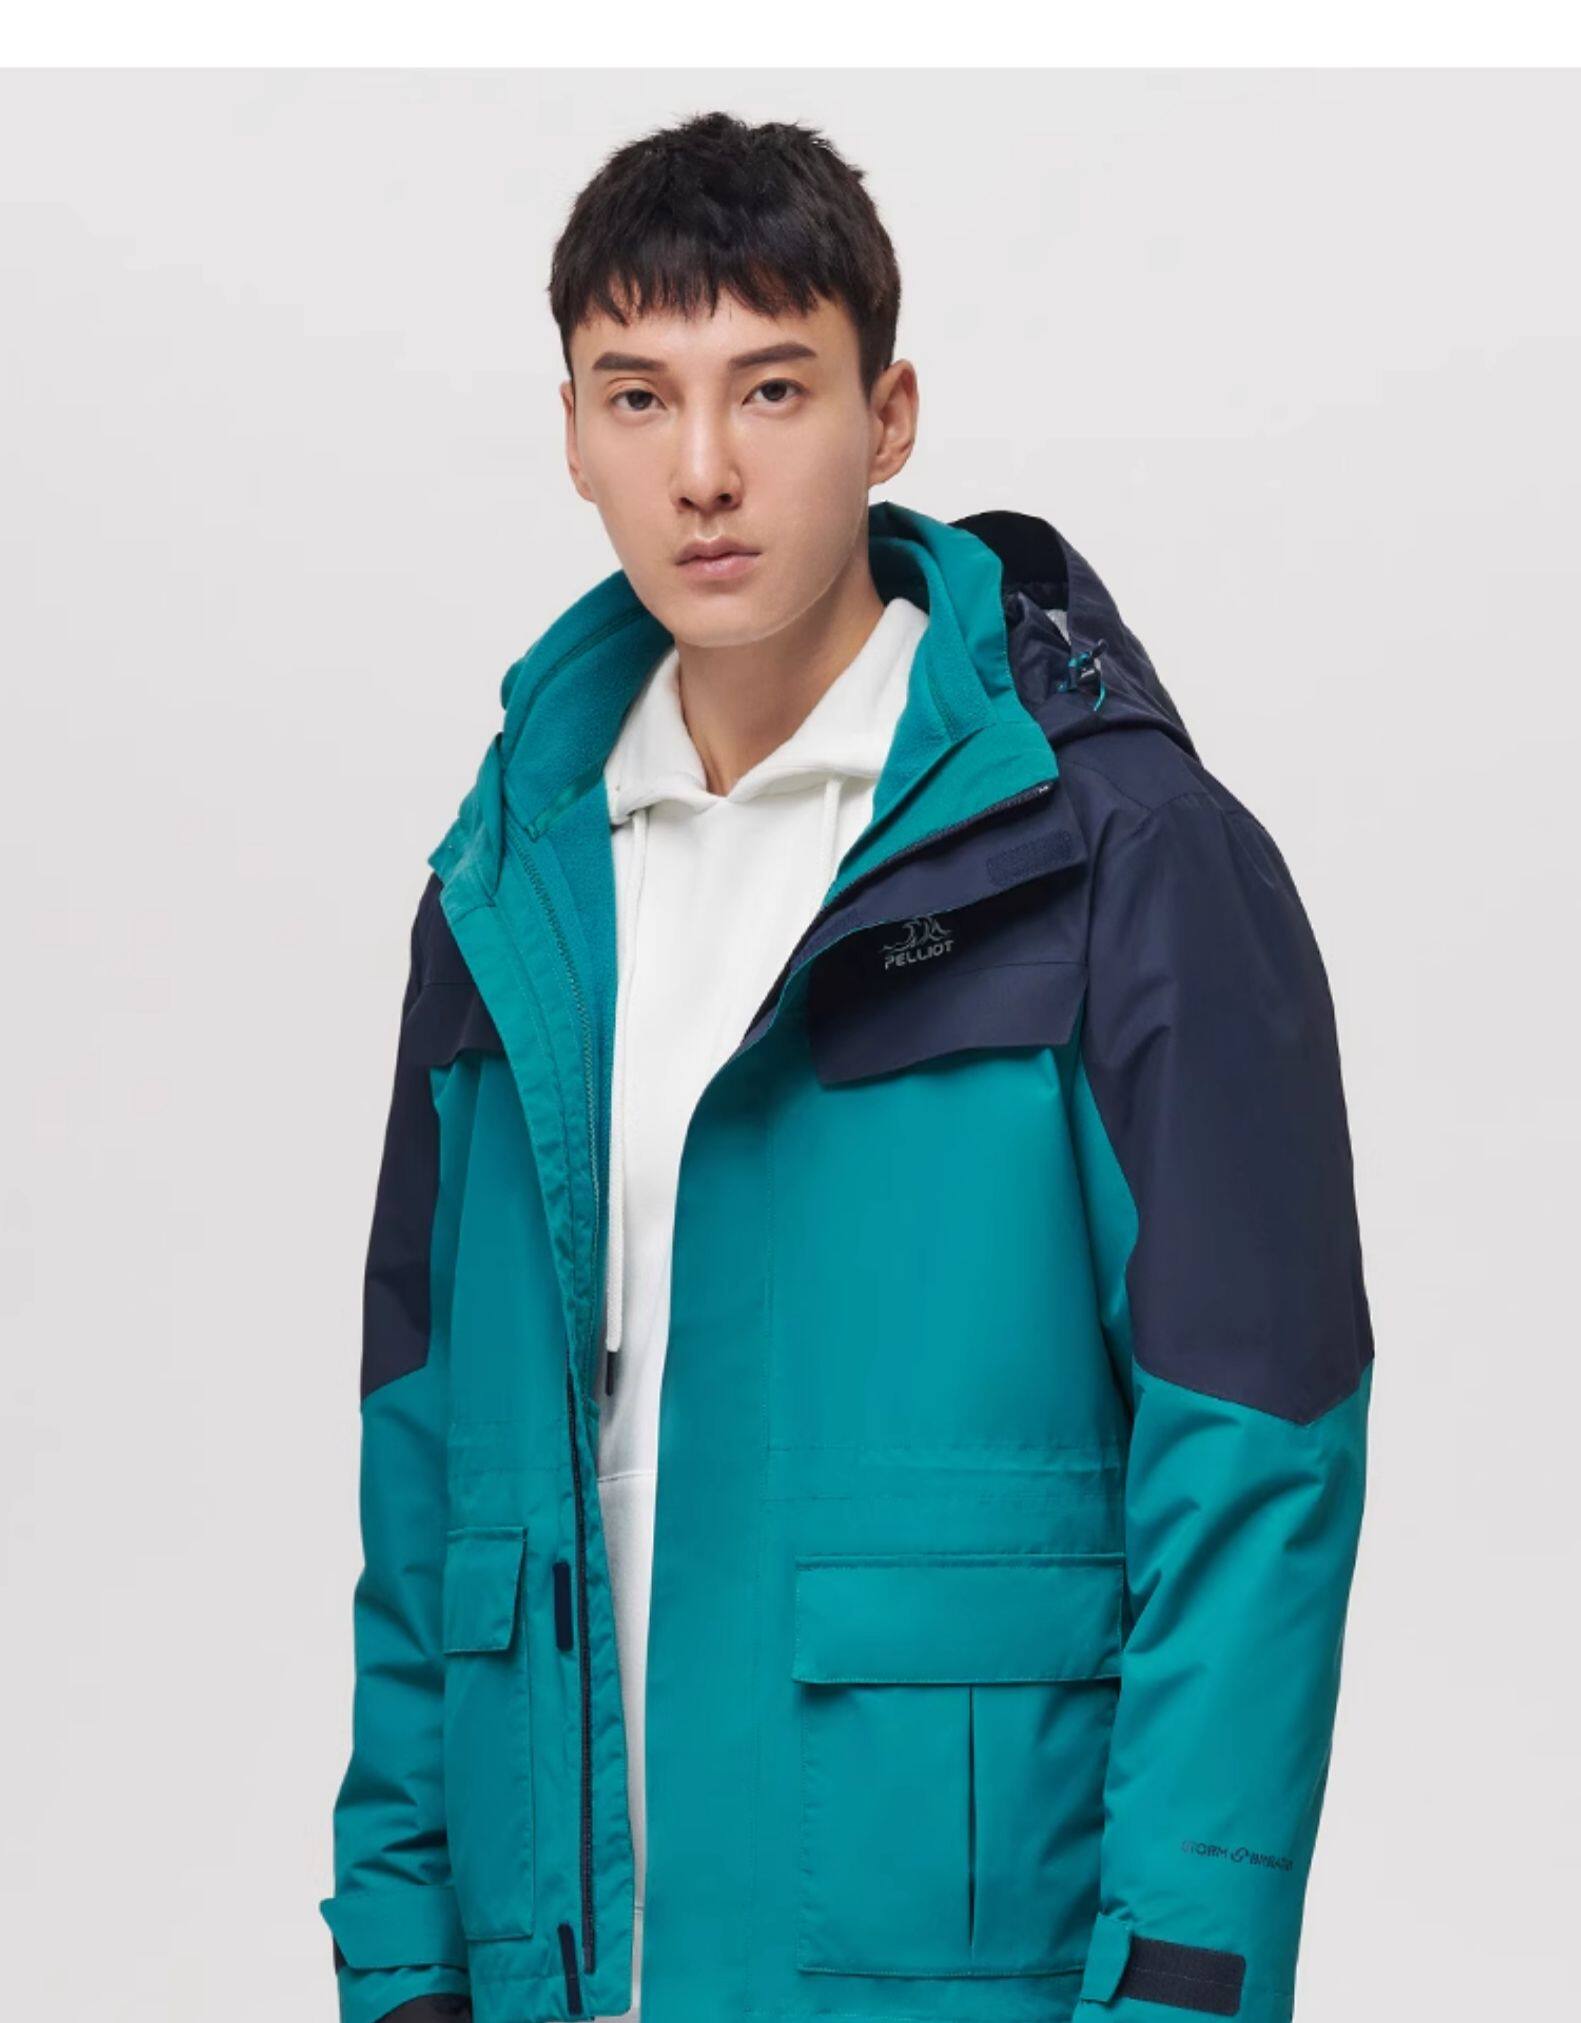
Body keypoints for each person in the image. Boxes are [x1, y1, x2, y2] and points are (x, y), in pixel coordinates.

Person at [318, 111, 1374, 2023]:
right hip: (554, 1968)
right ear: (571, 435)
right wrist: (401, 1961)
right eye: (638, 397)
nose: (702, 470)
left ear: (886, 418)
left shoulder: (1119, 856)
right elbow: (421, 1465)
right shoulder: (503, 891)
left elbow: (1254, 1456)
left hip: (958, 1967)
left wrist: (1183, 1987)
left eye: (771, 388)